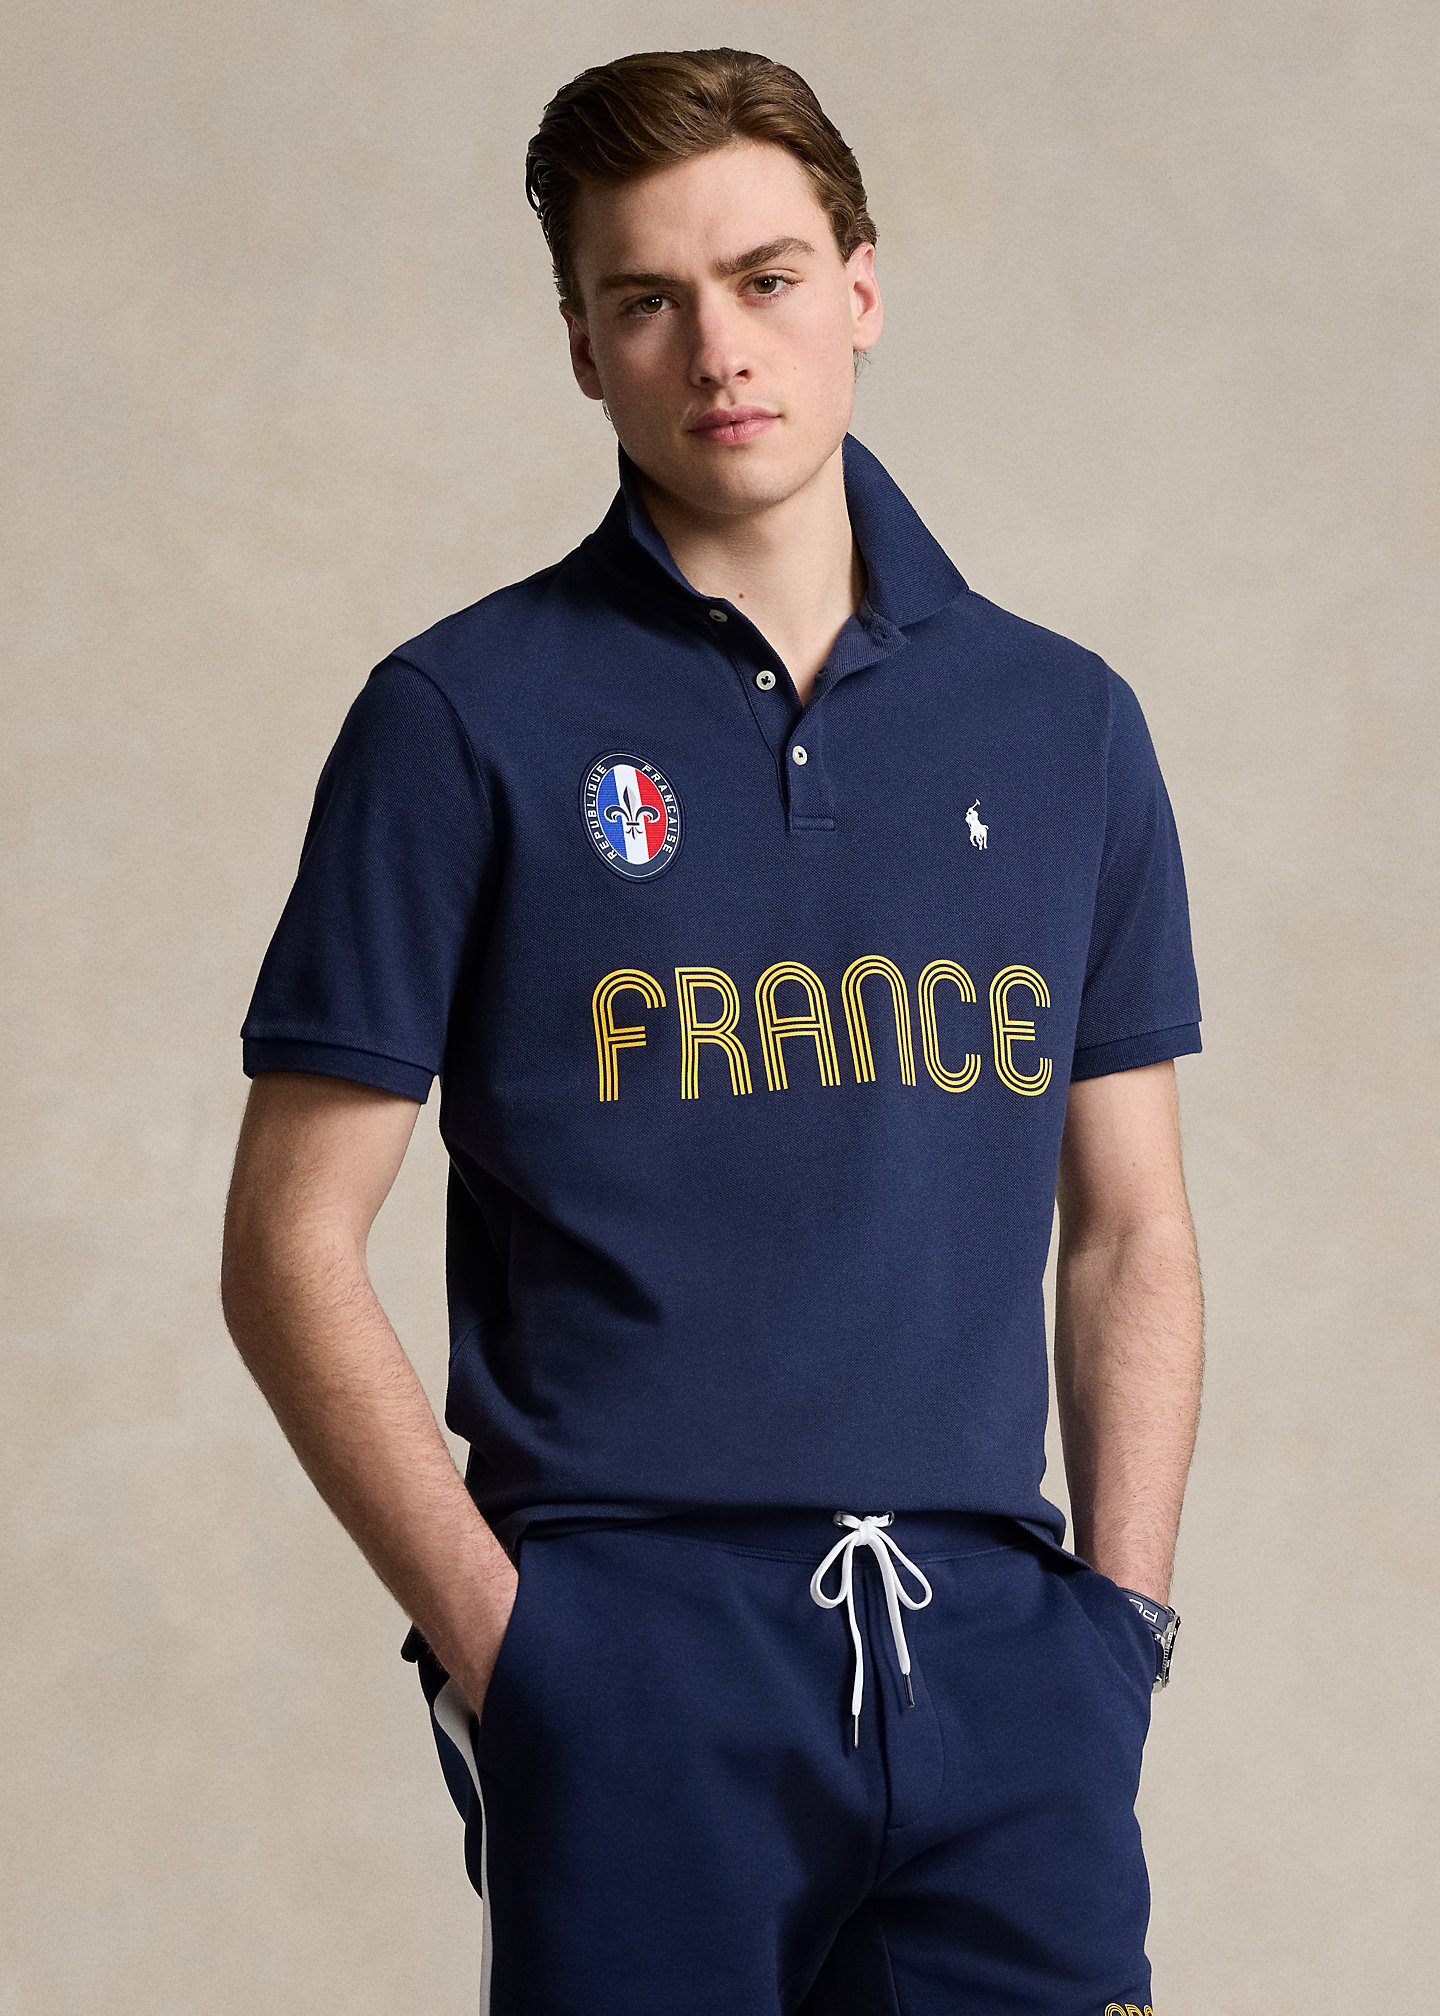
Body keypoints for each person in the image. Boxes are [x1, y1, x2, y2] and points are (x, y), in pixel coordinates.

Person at [221, 45, 1203, 2016]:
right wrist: (514, 1646)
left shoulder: (1066, 725)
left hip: (1004, 1663)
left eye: (765, 279)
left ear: (862, 285)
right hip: (633, 1648)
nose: (719, 349)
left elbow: (1130, 1226)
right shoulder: (460, 717)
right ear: (583, 348)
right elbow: (286, 1244)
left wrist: (1120, 1628)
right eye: (646, 299)